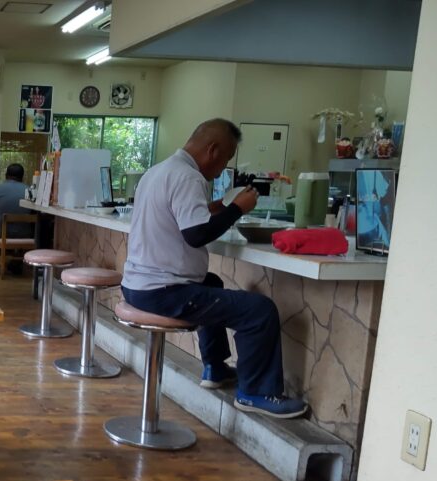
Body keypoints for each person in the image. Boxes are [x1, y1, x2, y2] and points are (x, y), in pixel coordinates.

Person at [121, 118, 308, 418]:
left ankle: (215, 366)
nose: (223, 169)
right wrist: (237, 210)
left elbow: (183, 215)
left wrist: (220, 205)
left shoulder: (159, 171)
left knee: (211, 282)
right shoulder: (188, 177)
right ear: (212, 150)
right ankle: (255, 392)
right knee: (259, 311)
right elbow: (196, 235)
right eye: (226, 160)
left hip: (137, 286)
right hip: (163, 292)